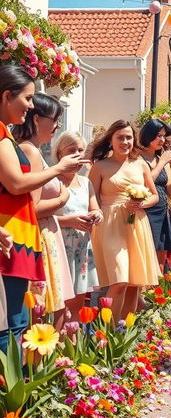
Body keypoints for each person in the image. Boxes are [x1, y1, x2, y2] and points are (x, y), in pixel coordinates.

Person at [0, 65, 85, 353]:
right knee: (12, 323)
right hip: (12, 236)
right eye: (27, 99)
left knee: (19, 319)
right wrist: (59, 171)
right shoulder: (6, 140)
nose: (30, 105)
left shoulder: (7, 137)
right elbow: (16, 183)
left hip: (20, 236)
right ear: (6, 96)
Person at [13, 93, 75, 325]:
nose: (57, 126)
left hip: (48, 231)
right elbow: (33, 206)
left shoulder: (32, 149)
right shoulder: (29, 151)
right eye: (55, 119)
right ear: (37, 119)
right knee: (45, 308)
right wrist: (63, 198)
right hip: (39, 233)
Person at [89, 120, 160, 322]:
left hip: (136, 223)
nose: (125, 141)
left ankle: (124, 333)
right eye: (120, 137)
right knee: (119, 282)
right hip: (109, 224)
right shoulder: (100, 166)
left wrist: (142, 204)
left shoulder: (140, 164)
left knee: (133, 284)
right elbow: (92, 196)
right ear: (111, 140)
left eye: (129, 137)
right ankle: (107, 334)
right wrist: (95, 213)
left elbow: (154, 196)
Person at [54, 132, 101, 320]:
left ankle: (73, 345)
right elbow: (39, 216)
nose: (77, 154)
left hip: (81, 249)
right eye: (71, 150)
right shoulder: (51, 180)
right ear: (59, 153)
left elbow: (95, 208)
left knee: (77, 304)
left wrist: (96, 215)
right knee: (58, 306)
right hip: (60, 248)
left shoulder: (85, 182)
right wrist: (69, 221)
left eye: (80, 150)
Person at [138, 119, 171, 270]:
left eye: (163, 136)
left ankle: (157, 288)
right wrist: (162, 162)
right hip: (147, 211)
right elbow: (145, 182)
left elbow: (170, 190)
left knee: (162, 248)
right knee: (147, 250)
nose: (162, 140)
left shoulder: (160, 159)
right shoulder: (138, 158)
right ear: (148, 135)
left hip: (163, 209)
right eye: (158, 135)